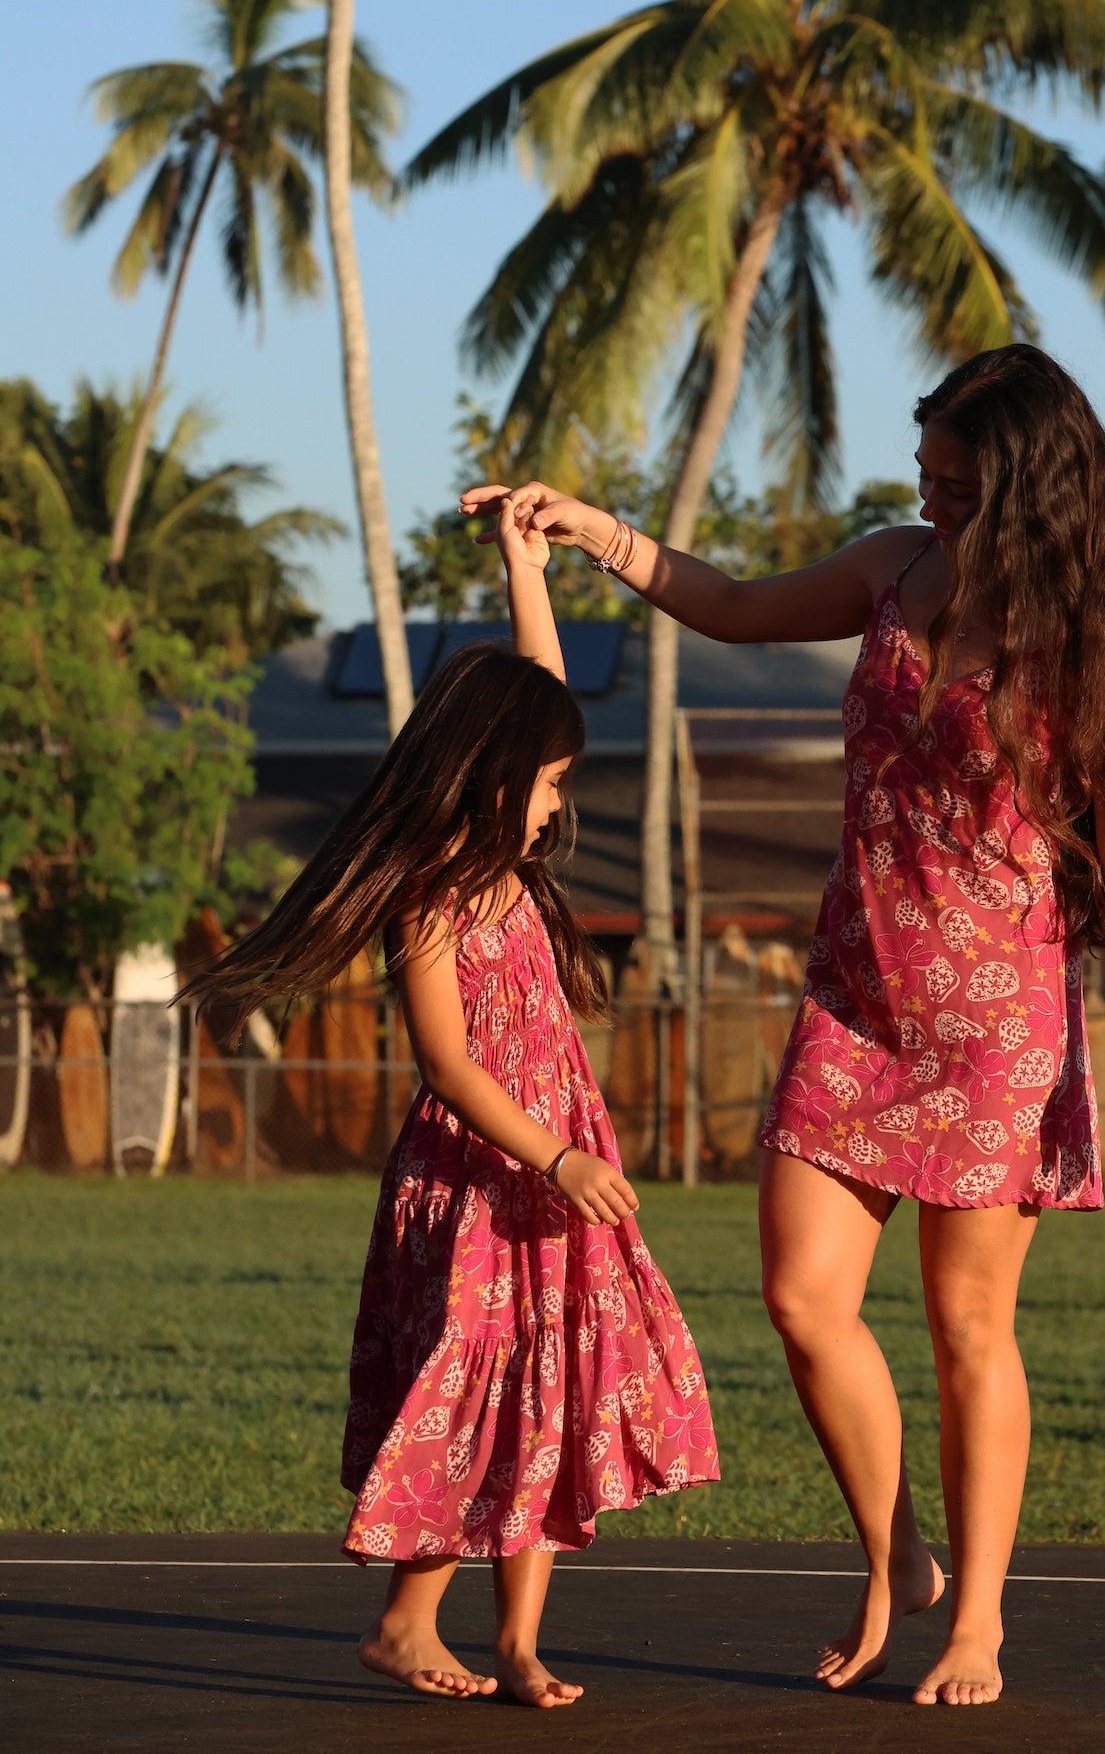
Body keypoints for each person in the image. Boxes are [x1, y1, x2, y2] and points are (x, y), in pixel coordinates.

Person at [465, 344, 1105, 1711]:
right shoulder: (888, 570)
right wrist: (597, 532)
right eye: (921, 476)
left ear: (1029, 492)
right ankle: (896, 1549)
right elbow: (734, 604)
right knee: (803, 1299)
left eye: (958, 485)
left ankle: (973, 1616)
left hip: (997, 1018)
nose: (931, 502)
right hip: (855, 994)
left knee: (966, 1322)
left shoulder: (1083, 632)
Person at [191, 498, 717, 1707]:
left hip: (548, 1173)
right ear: (494, 779)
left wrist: (524, 567)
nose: (553, 803)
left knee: (549, 1391)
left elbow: (534, 689)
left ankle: (524, 1641)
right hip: (485, 1175)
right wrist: (559, 1158)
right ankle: (405, 1620)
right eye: (545, 783)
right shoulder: (437, 889)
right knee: (472, 1385)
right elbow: (447, 1064)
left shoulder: (508, 866)